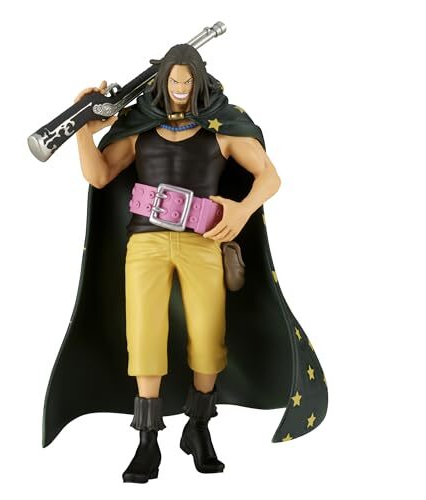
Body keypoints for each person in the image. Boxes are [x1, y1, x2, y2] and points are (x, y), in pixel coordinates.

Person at [42, 43, 328, 484]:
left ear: (198, 81)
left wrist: (241, 210)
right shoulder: (140, 126)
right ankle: (147, 440)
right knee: (145, 335)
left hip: (202, 241)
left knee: (208, 336)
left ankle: (199, 428)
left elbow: (269, 177)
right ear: (162, 81)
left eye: (186, 80)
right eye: (173, 80)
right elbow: (99, 176)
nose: (179, 87)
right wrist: (84, 128)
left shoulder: (223, 127)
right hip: (146, 242)